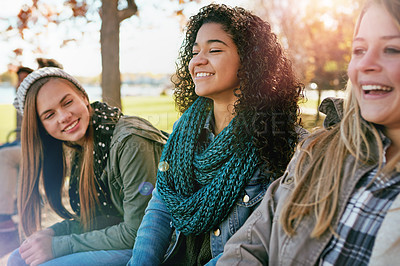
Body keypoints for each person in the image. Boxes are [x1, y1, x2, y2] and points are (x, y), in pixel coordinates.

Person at [216, 0, 400, 265]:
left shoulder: (280, 141)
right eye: (359, 49)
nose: (365, 64)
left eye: (392, 49)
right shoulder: (317, 151)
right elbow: (248, 245)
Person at [128, 4, 305, 265]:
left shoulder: (282, 142)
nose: (198, 60)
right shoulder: (184, 131)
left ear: (250, 60)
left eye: (214, 50)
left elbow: (259, 244)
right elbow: (160, 205)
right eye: (195, 51)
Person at [7, 67, 167, 265]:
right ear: (42, 128)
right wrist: (54, 232)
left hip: (156, 246)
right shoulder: (82, 146)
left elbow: (140, 231)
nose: (63, 116)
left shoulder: (131, 142)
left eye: (67, 102)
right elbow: (100, 219)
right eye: (49, 115)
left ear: (83, 97)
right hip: (125, 240)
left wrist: (58, 245)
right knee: (17, 259)